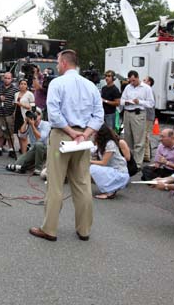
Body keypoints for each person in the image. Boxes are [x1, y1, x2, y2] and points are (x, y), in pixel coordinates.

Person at [29, 49, 103, 242]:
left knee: (55, 183)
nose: (56, 66)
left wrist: (70, 132)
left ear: (63, 63)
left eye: (57, 62)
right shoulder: (91, 86)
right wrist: (85, 133)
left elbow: (53, 113)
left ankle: (50, 228)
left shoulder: (57, 83)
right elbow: (99, 116)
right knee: (82, 182)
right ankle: (84, 229)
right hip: (84, 137)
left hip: (63, 134)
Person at [120, 70, 155, 169]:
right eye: (130, 81)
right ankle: (129, 161)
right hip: (128, 113)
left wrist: (139, 102)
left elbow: (151, 103)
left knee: (139, 140)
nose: (132, 83)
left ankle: (138, 164)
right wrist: (126, 102)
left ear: (138, 78)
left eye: (134, 80)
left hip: (138, 113)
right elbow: (122, 100)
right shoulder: (128, 87)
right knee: (128, 139)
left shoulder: (146, 88)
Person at [89, 124, 130, 199]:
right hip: (112, 170)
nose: (93, 134)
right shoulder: (102, 143)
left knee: (92, 168)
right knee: (89, 169)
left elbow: (103, 163)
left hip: (120, 173)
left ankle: (110, 191)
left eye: (95, 132)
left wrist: (89, 161)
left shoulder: (110, 144)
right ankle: (108, 188)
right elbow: (91, 150)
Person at [6, 107, 50, 176]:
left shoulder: (46, 124)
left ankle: (38, 169)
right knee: (17, 164)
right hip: (33, 150)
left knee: (39, 144)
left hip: (45, 151)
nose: (34, 116)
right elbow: (21, 135)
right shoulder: (30, 125)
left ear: (40, 116)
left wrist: (32, 125)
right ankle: (31, 165)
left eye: (37, 115)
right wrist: (26, 122)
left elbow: (40, 138)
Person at [0, 72, 18, 158]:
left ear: (12, 79)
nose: (6, 80)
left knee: (9, 132)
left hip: (9, 114)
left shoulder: (15, 89)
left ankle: (11, 150)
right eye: (5, 78)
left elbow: (17, 101)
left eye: (8, 78)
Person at [13, 79, 35, 154]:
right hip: (17, 115)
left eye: (24, 84)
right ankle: (21, 149)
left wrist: (22, 104)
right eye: (21, 84)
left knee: (24, 135)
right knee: (19, 135)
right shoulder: (16, 94)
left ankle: (24, 153)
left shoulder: (30, 94)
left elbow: (32, 107)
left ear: (27, 86)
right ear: (19, 85)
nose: (23, 85)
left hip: (25, 116)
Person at [143, 76, 155, 162]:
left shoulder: (149, 91)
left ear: (149, 82)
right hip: (147, 116)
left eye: (144, 80)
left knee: (145, 135)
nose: (142, 82)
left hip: (148, 116)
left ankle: (146, 155)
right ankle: (147, 153)